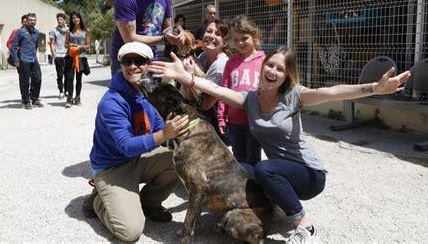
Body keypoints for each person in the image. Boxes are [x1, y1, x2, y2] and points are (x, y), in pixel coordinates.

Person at [149, 46, 411, 243]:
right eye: (270, 65)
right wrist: (187, 78)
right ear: (262, 67)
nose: (272, 71)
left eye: (280, 69)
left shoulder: (294, 96)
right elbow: (218, 91)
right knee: (239, 170)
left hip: (308, 174)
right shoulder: (250, 99)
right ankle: (267, 208)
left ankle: (304, 225)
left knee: (263, 170)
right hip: (282, 171)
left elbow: (333, 92)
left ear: (287, 76)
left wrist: (375, 87)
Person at [84, 42, 189, 242]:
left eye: (139, 61)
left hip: (138, 159)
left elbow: (159, 126)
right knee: (130, 232)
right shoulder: (112, 102)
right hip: (111, 168)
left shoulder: (145, 92)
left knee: (181, 158)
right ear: (121, 64)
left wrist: (170, 131)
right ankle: (99, 200)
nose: (133, 66)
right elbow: (126, 145)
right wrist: (166, 134)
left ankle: (149, 203)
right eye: (127, 61)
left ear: (148, 64)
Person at [217, 15, 265, 165]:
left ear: (255, 35)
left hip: (255, 120)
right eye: (236, 40)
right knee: (238, 158)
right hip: (235, 121)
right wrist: (221, 116)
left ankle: (254, 187)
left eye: (244, 38)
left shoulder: (265, 61)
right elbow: (224, 90)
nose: (240, 43)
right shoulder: (231, 63)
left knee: (253, 158)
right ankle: (242, 187)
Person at [190, 19, 231, 133]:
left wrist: (189, 76)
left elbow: (205, 104)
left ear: (225, 42)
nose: (211, 36)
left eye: (218, 34)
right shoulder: (203, 55)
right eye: (209, 31)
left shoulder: (220, 66)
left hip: (217, 126)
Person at [10, 13, 43, 110]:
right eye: (30, 20)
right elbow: (13, 47)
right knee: (25, 81)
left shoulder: (37, 33)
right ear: (27, 21)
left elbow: (37, 46)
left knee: (38, 78)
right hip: (24, 59)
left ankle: (35, 98)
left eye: (34, 20)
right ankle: (26, 101)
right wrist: (16, 59)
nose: (32, 22)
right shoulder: (21, 32)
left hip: (33, 59)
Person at [64, 11, 91, 107]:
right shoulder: (68, 31)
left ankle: (77, 97)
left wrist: (79, 47)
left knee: (79, 78)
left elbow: (88, 46)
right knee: (70, 78)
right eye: (74, 18)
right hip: (70, 57)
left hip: (81, 58)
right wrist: (70, 45)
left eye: (77, 17)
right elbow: (65, 44)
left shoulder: (86, 31)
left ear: (80, 18)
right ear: (71, 20)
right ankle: (69, 98)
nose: (76, 19)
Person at [6, 14, 28, 99]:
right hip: (19, 58)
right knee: (22, 77)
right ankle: (24, 96)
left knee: (31, 76)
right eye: (24, 21)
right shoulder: (16, 31)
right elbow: (9, 43)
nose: (26, 23)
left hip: (29, 58)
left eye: (27, 21)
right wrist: (17, 50)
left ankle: (29, 95)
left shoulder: (31, 32)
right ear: (22, 22)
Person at [48, 13, 68, 99]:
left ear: (64, 20)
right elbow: (52, 44)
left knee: (67, 74)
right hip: (58, 55)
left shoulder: (68, 30)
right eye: (58, 19)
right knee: (60, 75)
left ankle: (66, 90)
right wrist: (54, 55)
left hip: (67, 55)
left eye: (61, 19)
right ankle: (61, 91)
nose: (59, 21)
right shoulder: (54, 31)